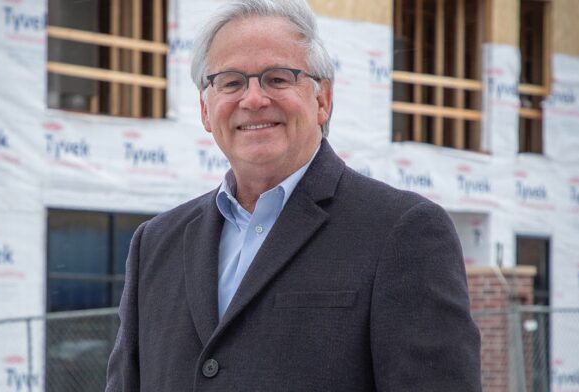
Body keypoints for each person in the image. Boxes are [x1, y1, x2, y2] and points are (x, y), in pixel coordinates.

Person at [106, 0, 481, 390]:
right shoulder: (154, 243)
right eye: (231, 82)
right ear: (205, 109)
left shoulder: (403, 232)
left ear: (323, 100)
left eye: (278, 78)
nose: (253, 100)